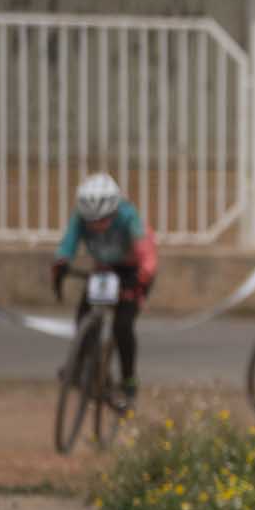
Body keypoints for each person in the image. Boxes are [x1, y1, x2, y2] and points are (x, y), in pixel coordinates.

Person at [52, 173, 158, 407]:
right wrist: (61, 263)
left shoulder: (129, 217)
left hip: (133, 271)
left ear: (114, 211)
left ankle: (129, 381)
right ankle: (83, 365)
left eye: (103, 220)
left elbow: (147, 257)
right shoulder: (80, 218)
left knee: (123, 325)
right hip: (105, 268)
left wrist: (140, 279)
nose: (96, 226)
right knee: (83, 317)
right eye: (91, 221)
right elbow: (68, 244)